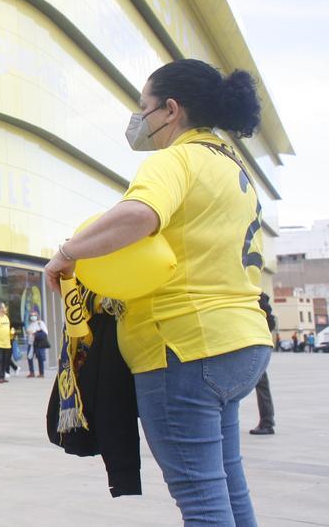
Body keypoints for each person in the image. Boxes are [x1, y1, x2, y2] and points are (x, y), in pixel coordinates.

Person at [44, 59, 272, 526]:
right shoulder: (232, 166)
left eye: (143, 107)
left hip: (182, 347)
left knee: (202, 498)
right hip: (240, 341)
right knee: (228, 486)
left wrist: (67, 251)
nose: (139, 118)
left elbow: (137, 215)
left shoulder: (175, 159)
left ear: (171, 110)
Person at [250, 293, 277, 435]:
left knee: (261, 385)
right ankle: (267, 422)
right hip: (257, 345)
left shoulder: (256, 296)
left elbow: (271, 322)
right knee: (262, 385)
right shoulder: (256, 294)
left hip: (254, 345)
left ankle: (267, 423)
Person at [25, 312, 49, 378]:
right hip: (31, 343)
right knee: (29, 357)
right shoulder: (30, 324)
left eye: (34, 315)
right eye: (31, 315)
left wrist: (34, 333)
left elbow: (45, 333)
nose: (33, 317)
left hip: (38, 344)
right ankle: (31, 372)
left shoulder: (40, 323)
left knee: (40, 358)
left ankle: (41, 373)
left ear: (37, 316)